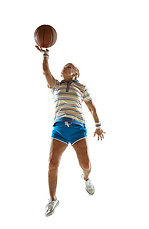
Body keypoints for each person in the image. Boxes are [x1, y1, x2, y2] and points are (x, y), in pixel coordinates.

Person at [35, 45, 106, 217]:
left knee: (86, 165)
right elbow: (46, 72)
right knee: (52, 164)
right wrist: (45, 54)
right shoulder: (56, 86)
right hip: (59, 128)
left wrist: (98, 126)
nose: (63, 68)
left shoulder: (81, 87)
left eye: (67, 66)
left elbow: (91, 107)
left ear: (74, 72)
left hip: (77, 129)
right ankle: (52, 199)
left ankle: (86, 179)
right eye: (63, 67)